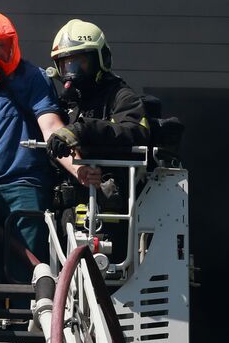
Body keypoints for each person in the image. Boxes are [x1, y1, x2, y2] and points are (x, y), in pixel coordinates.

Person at [0, 12, 93, 280]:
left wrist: (79, 169)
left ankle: (35, 320)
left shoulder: (34, 78)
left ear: (13, 43)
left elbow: (51, 128)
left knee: (28, 277)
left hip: (25, 188)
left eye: (1, 44)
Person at [43, 20, 150, 236]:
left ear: (101, 59)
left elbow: (136, 131)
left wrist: (84, 130)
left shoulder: (121, 96)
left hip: (112, 216)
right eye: (65, 65)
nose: (71, 71)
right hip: (68, 214)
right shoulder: (67, 104)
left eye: (79, 62)